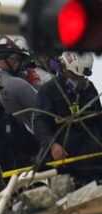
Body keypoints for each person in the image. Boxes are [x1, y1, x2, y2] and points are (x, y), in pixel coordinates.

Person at [34, 51, 102, 184]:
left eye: (81, 77)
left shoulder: (89, 89)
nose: (79, 80)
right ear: (64, 69)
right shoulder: (48, 90)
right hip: (66, 164)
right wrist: (52, 145)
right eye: (74, 76)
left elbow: (98, 119)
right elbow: (40, 122)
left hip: (94, 161)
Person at [0, 35, 38, 129]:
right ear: (12, 58)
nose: (22, 64)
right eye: (20, 59)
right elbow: (45, 111)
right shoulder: (17, 84)